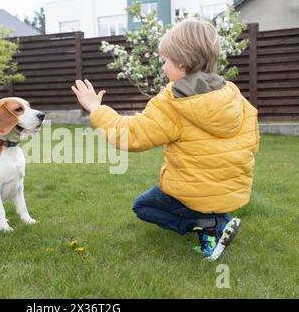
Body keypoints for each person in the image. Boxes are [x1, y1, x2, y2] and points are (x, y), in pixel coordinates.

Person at [71, 19, 259, 260]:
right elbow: (253, 140)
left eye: (165, 61)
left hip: (196, 193)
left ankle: (211, 224)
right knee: (184, 198)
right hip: (233, 191)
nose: (163, 67)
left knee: (143, 206)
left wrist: (96, 109)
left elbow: (130, 135)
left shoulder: (174, 101)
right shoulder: (232, 93)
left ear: (180, 63)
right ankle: (216, 223)